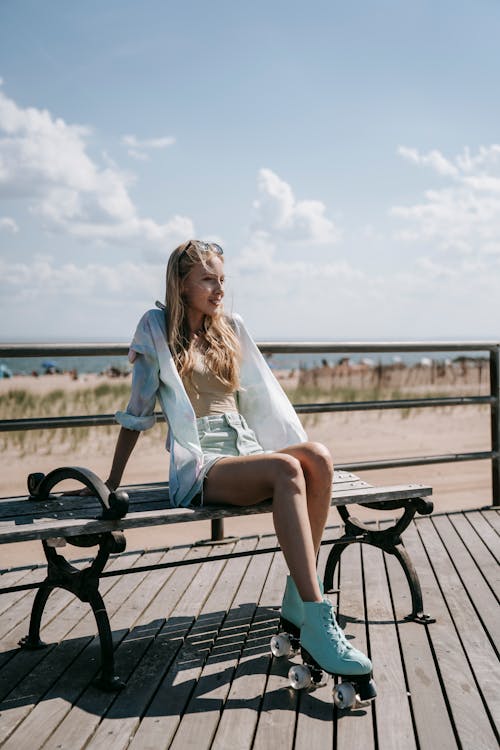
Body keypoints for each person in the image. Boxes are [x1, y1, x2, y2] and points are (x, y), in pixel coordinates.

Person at [106, 239, 373, 681]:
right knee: (287, 469)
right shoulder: (156, 328)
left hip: (245, 452)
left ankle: (295, 596)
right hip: (201, 466)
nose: (218, 289)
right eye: (208, 279)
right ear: (181, 283)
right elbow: (137, 412)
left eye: (222, 280)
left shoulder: (227, 329)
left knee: (318, 458)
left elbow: (262, 399)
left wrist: (285, 448)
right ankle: (318, 620)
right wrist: (110, 482)